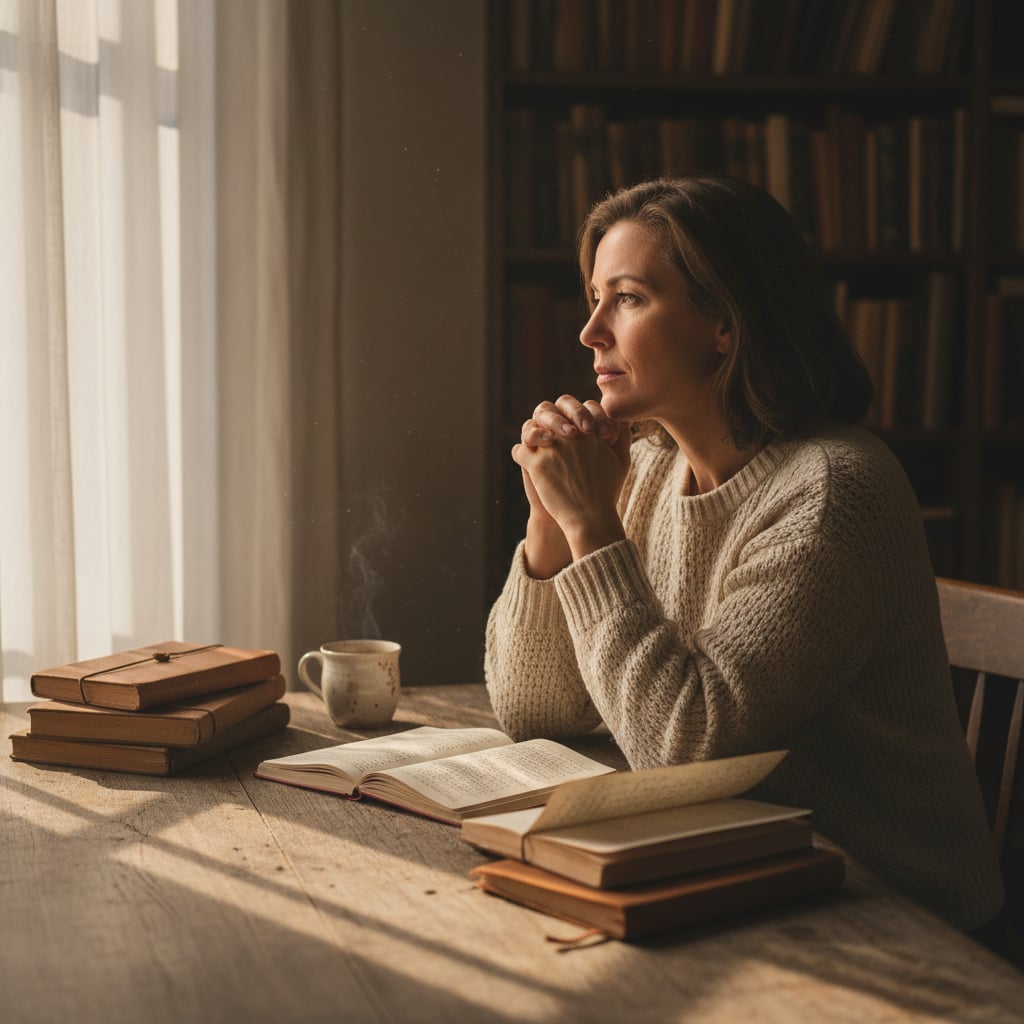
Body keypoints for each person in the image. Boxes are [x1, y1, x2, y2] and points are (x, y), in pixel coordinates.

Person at [484, 173, 1005, 933]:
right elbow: (533, 707)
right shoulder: (649, 464)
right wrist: (550, 520)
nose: (590, 331)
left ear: (724, 323)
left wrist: (592, 524)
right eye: (596, 296)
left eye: (627, 298)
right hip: (739, 875)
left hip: (887, 916)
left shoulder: (832, 492)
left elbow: (685, 747)